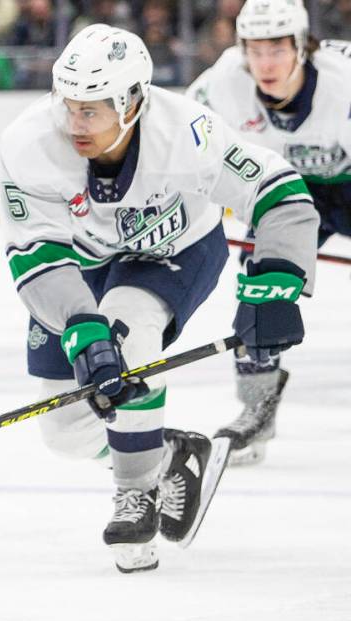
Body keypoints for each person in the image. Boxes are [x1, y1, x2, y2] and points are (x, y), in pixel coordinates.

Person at [0, 24, 317, 572]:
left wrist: (277, 281)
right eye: (68, 105)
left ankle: (135, 495)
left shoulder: (186, 133)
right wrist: (80, 325)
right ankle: (169, 456)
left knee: (127, 328)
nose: (75, 123)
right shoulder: (28, 144)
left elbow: (277, 190)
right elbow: (36, 257)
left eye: (91, 110)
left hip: (175, 251)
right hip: (81, 266)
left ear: (131, 102)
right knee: (66, 432)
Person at [187, 0, 351, 466]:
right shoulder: (220, 84)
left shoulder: (343, 81)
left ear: (301, 47)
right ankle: (257, 408)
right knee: (260, 283)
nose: (265, 64)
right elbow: (178, 145)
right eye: (254, 51)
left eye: (277, 50)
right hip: (287, 193)